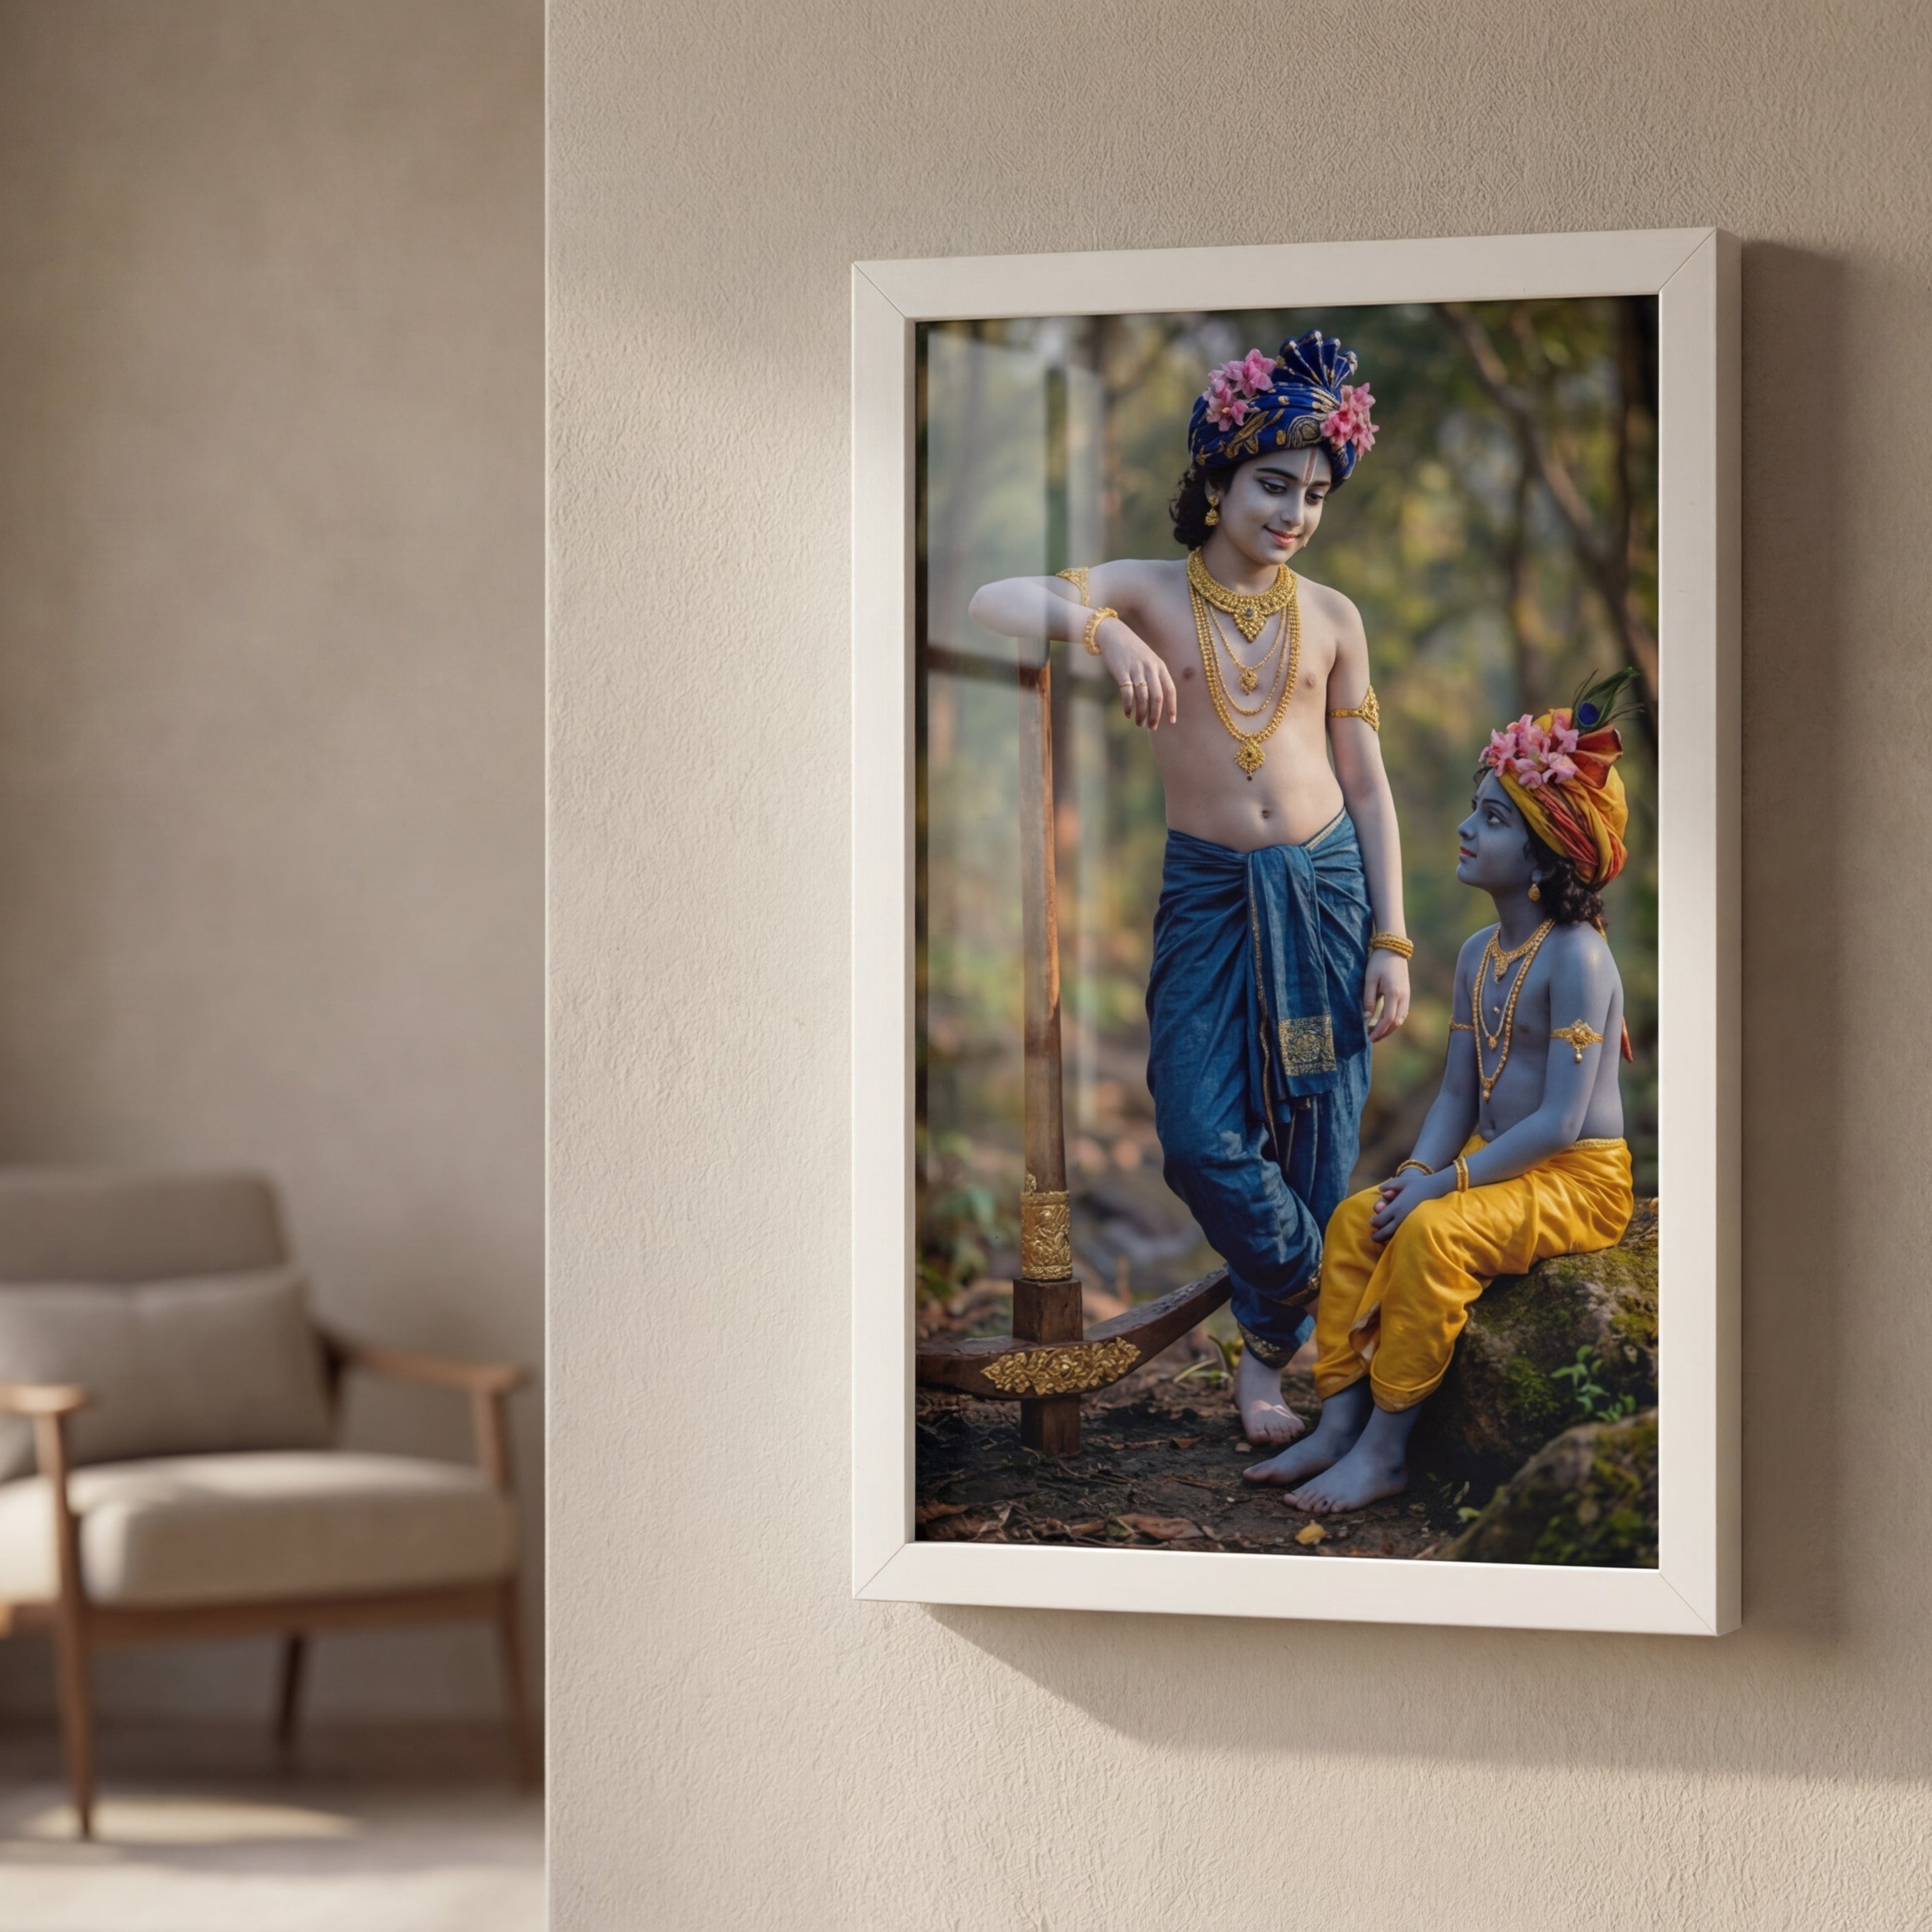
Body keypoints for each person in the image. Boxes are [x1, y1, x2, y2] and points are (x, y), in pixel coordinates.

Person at [967, 331, 1411, 1445]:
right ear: (1216, 477)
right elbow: (989, 597)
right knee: (1201, 1132)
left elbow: (1368, 782)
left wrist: (1394, 941)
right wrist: (1104, 633)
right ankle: (1334, 1296)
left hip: (1323, 898)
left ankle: (1265, 1368)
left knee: (1313, 1122)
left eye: (1314, 493)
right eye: (1272, 484)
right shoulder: (1152, 592)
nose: (1294, 512)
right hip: (1210, 896)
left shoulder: (1340, 618)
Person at [1245, 670, 1642, 1511]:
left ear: (1544, 857)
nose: (1466, 829)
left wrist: (1445, 1188)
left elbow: (1563, 1120)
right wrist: (1419, 1171)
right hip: (1479, 1161)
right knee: (1360, 1220)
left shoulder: (1577, 957)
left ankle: (1388, 1450)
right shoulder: (1475, 954)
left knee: (1429, 1237)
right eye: (1475, 808)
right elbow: (1458, 1096)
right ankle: (1340, 1426)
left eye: (1493, 820)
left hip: (1574, 1177)